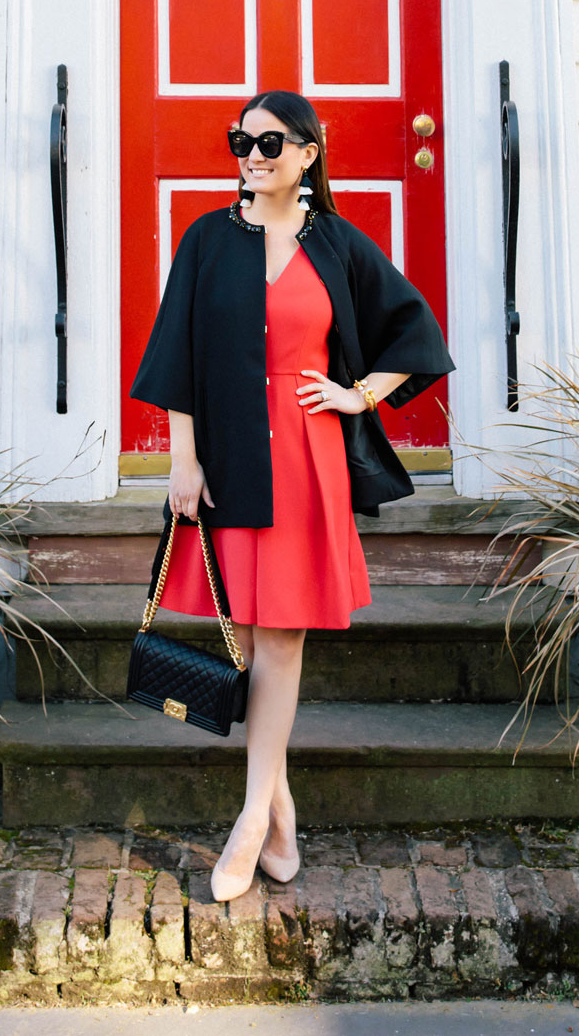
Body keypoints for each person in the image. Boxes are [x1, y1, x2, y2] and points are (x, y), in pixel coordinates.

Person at [129, 89, 455, 903]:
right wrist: (183, 460)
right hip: (231, 453)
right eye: (243, 140)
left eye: (273, 143)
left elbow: (415, 334)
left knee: (282, 641)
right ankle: (279, 809)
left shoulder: (338, 244)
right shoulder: (207, 240)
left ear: (309, 152)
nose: (254, 154)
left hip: (309, 461)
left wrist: (362, 395)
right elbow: (178, 353)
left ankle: (248, 820)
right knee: (246, 629)